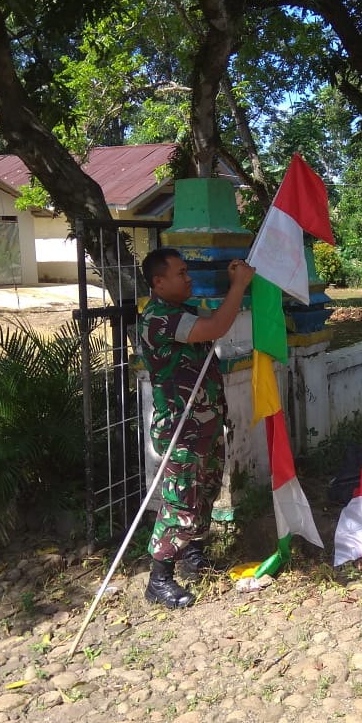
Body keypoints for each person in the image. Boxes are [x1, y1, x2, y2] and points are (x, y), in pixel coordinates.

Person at [137, 248, 255, 608]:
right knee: (181, 500)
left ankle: (193, 555)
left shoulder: (180, 313)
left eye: (188, 272)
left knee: (204, 490)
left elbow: (217, 318)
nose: (188, 279)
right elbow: (218, 326)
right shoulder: (159, 319)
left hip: (203, 421)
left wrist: (235, 286)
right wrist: (238, 285)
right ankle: (159, 579)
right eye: (181, 273)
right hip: (182, 427)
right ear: (158, 282)